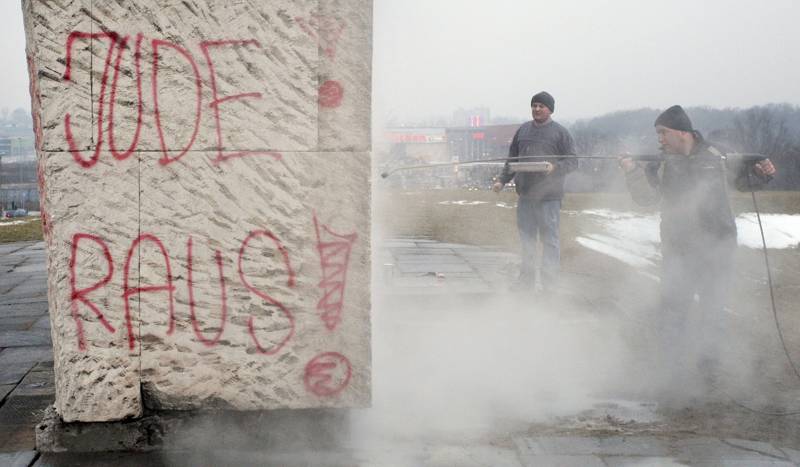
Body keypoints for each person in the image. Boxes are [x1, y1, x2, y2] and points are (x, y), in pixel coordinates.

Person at [620, 105, 775, 381]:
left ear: (683, 132)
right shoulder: (660, 163)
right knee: (673, 307)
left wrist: (764, 174)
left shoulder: (717, 155)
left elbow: (745, 183)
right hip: (677, 247)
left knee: (712, 308)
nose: (660, 139)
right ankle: (672, 368)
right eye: (658, 134)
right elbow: (645, 199)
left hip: (718, 244)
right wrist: (632, 172)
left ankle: (708, 370)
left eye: (663, 132)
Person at [492, 91, 577, 292]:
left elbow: (573, 162)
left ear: (550, 109)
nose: (536, 109)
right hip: (526, 197)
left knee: (550, 242)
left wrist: (555, 168)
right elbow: (513, 160)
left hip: (549, 198)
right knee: (527, 240)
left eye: (541, 106)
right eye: (534, 106)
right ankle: (526, 281)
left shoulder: (561, 133)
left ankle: (550, 284)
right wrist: (502, 181)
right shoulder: (523, 131)